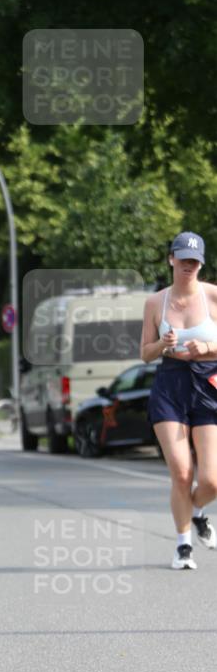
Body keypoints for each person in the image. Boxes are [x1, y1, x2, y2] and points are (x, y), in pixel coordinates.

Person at [141, 231, 217, 570]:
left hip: (208, 384)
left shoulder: (214, 297)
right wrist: (162, 345)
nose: (188, 265)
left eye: (194, 261)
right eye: (183, 259)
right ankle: (183, 544)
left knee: (212, 480)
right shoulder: (155, 303)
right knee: (182, 472)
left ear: (200, 264)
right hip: (170, 384)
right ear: (171, 259)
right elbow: (144, 353)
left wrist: (209, 349)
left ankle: (199, 511)